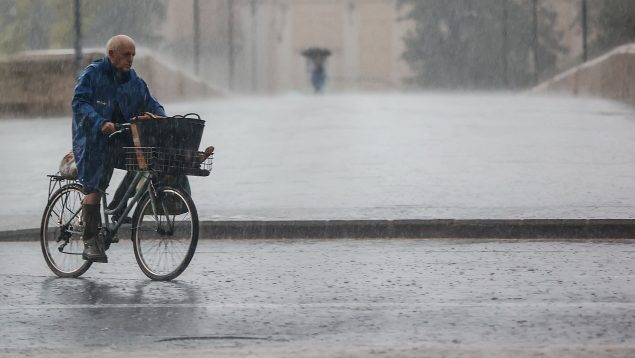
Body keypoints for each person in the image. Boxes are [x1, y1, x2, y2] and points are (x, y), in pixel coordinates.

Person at [72, 35, 164, 263]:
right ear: (111, 54)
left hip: (119, 138)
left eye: (133, 55)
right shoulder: (93, 75)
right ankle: (91, 240)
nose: (131, 59)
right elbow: (79, 103)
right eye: (126, 55)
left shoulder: (134, 81)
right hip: (91, 139)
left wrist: (160, 117)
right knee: (95, 185)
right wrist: (100, 122)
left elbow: (152, 103)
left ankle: (115, 208)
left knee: (144, 162)